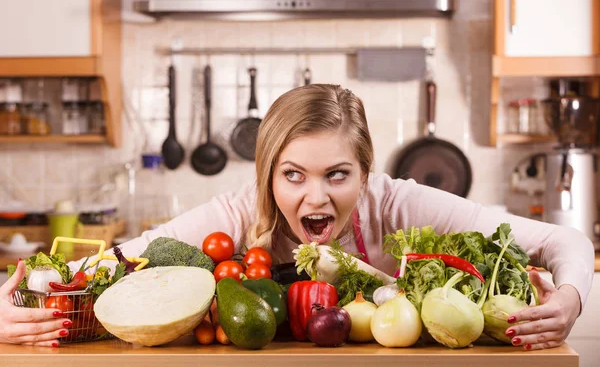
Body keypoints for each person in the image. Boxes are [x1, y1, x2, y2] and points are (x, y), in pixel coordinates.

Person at [0, 84, 594, 349]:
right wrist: (16, 291)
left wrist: (568, 298)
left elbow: (562, 239)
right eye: (293, 175)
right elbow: (122, 258)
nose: (315, 199)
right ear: (267, 176)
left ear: (365, 173)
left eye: (337, 175)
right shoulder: (236, 212)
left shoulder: (402, 203)